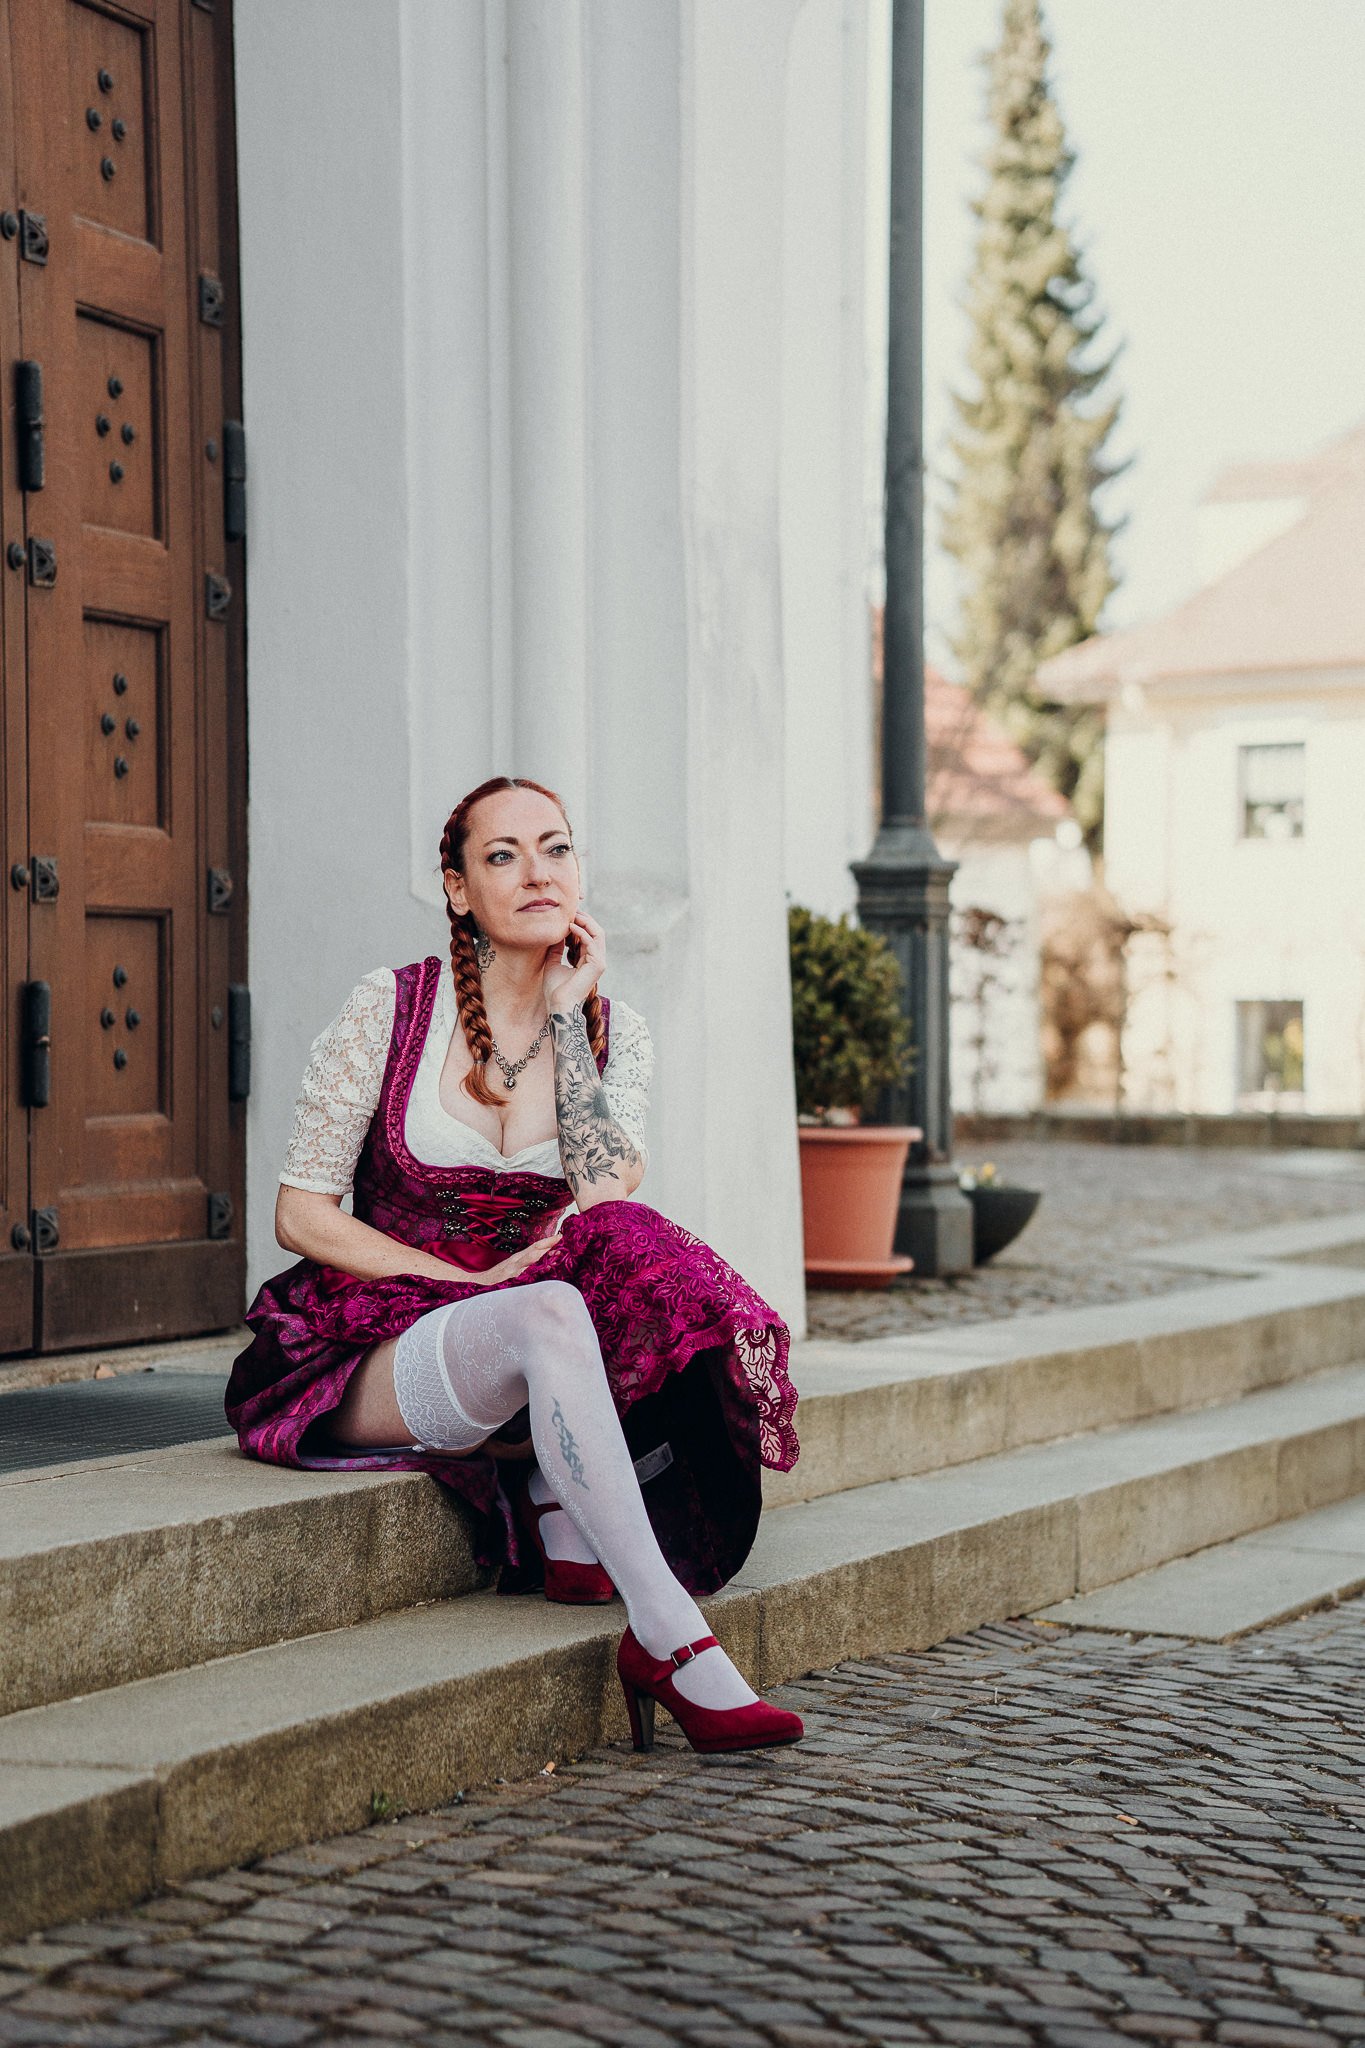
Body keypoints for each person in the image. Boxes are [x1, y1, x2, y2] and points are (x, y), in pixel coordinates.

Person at [226, 774, 803, 1755]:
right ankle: (668, 1636)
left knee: (614, 1251)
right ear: (457, 888)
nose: (538, 871)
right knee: (543, 1310)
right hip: (371, 1342)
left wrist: (571, 1024)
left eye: (557, 848)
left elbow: (606, 1198)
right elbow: (301, 1214)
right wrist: (467, 1283)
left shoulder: (617, 1033)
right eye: (503, 853)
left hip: (535, 1332)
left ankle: (560, 1499)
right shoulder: (392, 1008)